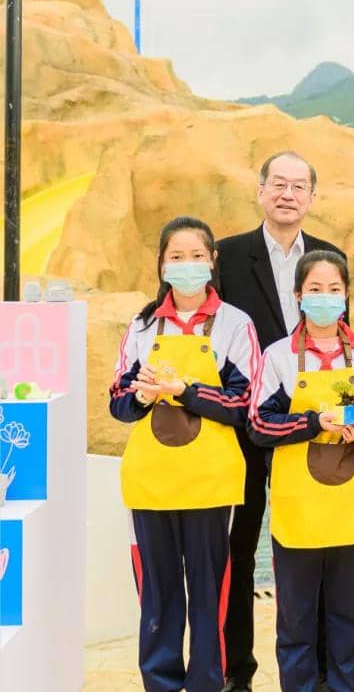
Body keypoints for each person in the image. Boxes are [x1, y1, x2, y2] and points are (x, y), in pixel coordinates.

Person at [217, 151, 348, 692]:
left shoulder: (329, 256)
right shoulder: (228, 256)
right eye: (279, 183)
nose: (288, 194)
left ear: (312, 196)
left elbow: (343, 340)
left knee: (319, 548)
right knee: (240, 549)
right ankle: (237, 671)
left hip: (319, 430)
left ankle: (320, 671)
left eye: (299, 186)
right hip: (248, 430)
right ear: (260, 190)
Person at [109, 216, 257, 692]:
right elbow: (117, 400)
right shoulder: (142, 325)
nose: (187, 265)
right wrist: (142, 395)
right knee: (158, 593)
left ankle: (207, 682)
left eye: (196, 256)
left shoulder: (235, 324)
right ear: (161, 264)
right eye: (177, 256)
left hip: (210, 482)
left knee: (209, 594)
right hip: (151, 481)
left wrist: (186, 391)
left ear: (212, 261)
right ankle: (160, 682)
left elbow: (244, 403)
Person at [248, 251, 354, 692]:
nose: (325, 298)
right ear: (298, 296)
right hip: (297, 509)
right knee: (296, 617)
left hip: (352, 506)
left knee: (347, 615)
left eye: (334, 289)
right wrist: (313, 422)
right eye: (314, 289)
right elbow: (258, 425)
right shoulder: (278, 356)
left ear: (346, 295)